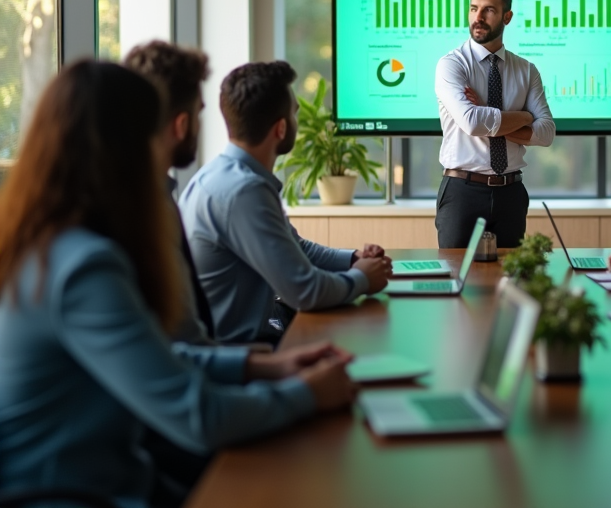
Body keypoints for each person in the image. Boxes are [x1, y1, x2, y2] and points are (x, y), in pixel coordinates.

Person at [0, 60, 358, 508]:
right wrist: (309, 393)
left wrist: (263, 367)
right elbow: (199, 415)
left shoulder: (55, 243)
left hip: (114, 477)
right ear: (126, 148)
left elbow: (155, 352)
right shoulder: (82, 268)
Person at [179, 61, 391, 344]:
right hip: (244, 351)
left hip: (258, 333)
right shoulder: (244, 191)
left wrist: (354, 259)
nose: (296, 120)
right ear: (280, 129)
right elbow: (305, 291)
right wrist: (362, 279)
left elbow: (296, 248)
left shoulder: (224, 174)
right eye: (294, 113)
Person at [434, 0, 555, 248]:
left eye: (488, 10)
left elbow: (546, 133)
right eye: (473, 8)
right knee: (458, 278)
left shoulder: (526, 70)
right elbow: (472, 122)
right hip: (462, 191)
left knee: (510, 278)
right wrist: (524, 116)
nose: (478, 17)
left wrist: (492, 115)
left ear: (507, 17)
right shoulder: (452, 65)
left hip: (511, 193)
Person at [124, 40, 215, 344]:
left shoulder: (147, 198)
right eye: (199, 114)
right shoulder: (145, 213)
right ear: (181, 124)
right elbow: (185, 341)